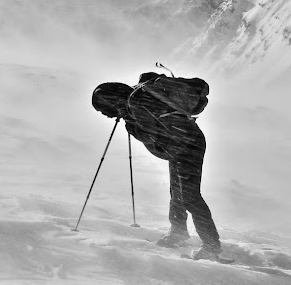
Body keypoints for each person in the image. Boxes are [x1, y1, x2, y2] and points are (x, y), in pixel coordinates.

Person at [91, 71, 222, 261]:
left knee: (189, 197)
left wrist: (132, 125)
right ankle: (178, 233)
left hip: (186, 146)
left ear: (112, 100)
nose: (106, 114)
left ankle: (211, 246)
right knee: (178, 193)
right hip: (185, 144)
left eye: (105, 109)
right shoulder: (138, 98)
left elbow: (154, 137)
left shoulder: (136, 103)